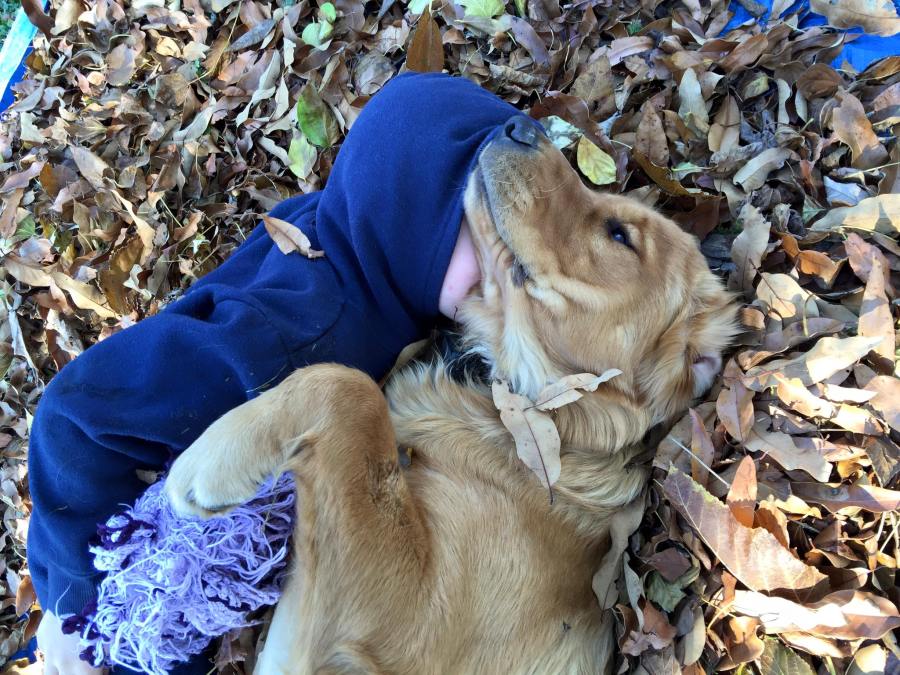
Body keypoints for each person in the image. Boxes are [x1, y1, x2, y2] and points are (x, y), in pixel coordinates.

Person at [29, 72, 530, 674]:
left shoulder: (350, 227)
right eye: (487, 233)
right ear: (413, 215)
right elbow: (73, 417)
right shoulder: (297, 336)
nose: (512, 262)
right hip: (144, 570)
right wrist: (71, 600)